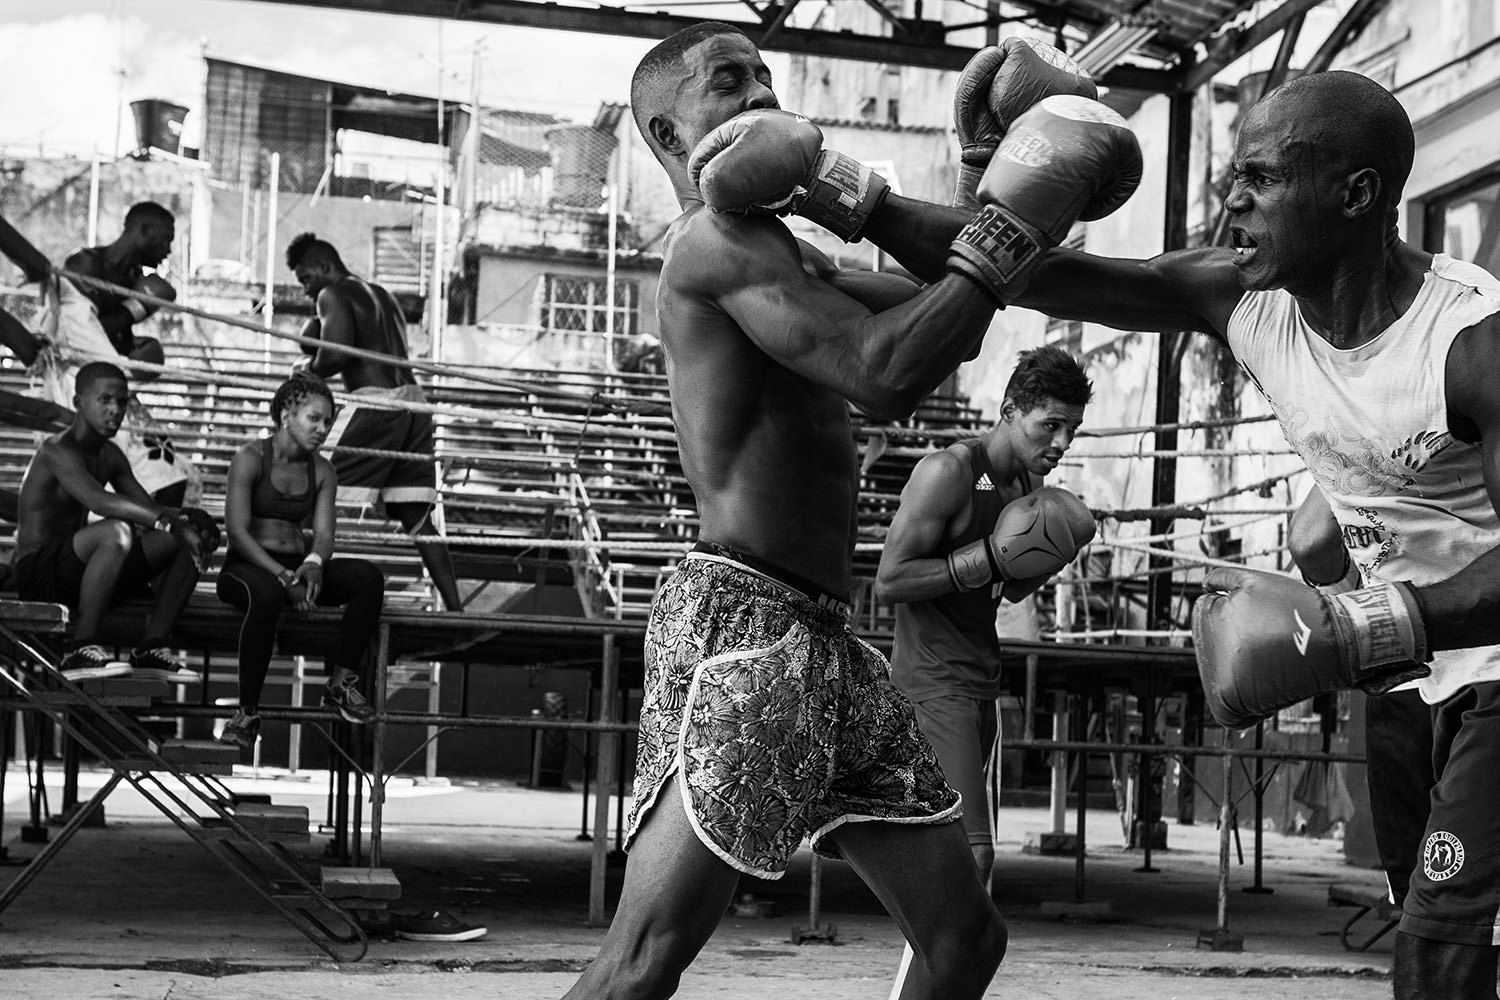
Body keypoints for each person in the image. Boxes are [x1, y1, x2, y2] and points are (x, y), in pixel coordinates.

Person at [562, 22, 1140, 1000]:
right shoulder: (712, 243)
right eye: (728, 82)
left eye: (765, 77)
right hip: (743, 633)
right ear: (667, 134)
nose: (758, 95)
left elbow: (934, 311)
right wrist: (1008, 226)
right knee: (638, 965)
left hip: (829, 640)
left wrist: (984, 176)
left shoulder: (781, 247)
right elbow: (883, 372)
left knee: (965, 941)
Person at [875, 345, 1094, 997]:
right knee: (969, 862)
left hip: (979, 687)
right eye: (1048, 425)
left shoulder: (1027, 490)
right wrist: (985, 561)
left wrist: (1048, 552)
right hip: (929, 682)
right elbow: (890, 579)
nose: (1060, 443)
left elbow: (1011, 589)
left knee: (963, 878)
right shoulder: (948, 471)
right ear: (1008, 412)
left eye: (1071, 430)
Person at [284, 232, 461, 612]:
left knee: (308, 485)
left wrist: (305, 367)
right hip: (415, 403)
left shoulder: (332, 294)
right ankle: (456, 607)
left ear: (325, 267)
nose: (305, 291)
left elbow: (334, 356)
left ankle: (292, 583)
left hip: (377, 403)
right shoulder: (382, 294)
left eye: (306, 279)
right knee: (417, 518)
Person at [14, 361, 218, 680]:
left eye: (121, 401)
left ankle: (152, 647)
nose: (115, 410)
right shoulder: (57, 449)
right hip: (39, 574)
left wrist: (192, 518)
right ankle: (81, 648)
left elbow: (145, 506)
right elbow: (101, 502)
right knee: (117, 531)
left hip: (81, 570)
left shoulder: (110, 454)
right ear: (78, 402)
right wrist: (170, 523)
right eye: (105, 400)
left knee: (190, 534)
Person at [1287, 486, 1435, 912]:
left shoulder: (1348, 438)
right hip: (1468, 665)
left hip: (1400, 668)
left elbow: (1309, 539)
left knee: (1422, 897)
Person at [216, 373, 384, 748]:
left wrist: (313, 565)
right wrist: (282, 577)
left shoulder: (323, 470)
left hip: (297, 566)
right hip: (248, 568)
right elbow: (237, 533)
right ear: (285, 415)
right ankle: (246, 713)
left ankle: (340, 684)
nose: (323, 429)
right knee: (266, 595)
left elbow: (324, 537)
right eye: (315, 419)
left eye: (328, 421)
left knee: (368, 577)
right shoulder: (249, 458)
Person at [35, 200, 199, 506]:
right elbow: (82, 332)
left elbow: (113, 336)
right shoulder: (86, 266)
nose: (167, 250)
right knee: (112, 471)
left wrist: (136, 347)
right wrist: (134, 310)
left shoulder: (134, 276)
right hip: (81, 384)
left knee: (168, 471)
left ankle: (148, 542)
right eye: (165, 239)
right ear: (143, 230)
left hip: (113, 386)